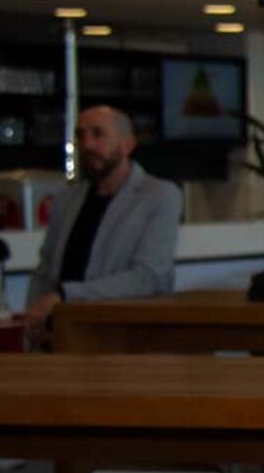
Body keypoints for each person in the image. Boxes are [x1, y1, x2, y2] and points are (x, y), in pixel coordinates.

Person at [24, 104, 182, 344]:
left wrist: (66, 295)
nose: (87, 145)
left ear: (127, 144)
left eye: (98, 134)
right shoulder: (67, 200)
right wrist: (33, 316)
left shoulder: (159, 196)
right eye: (81, 135)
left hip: (124, 339)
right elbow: (45, 270)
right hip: (60, 336)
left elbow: (149, 277)